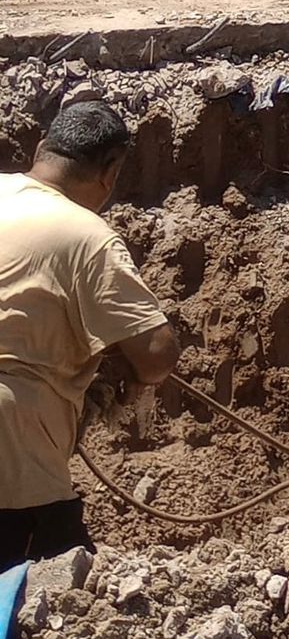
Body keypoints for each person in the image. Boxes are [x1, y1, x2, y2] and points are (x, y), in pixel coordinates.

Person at [0, 103, 178, 568]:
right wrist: (127, 370)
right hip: (13, 455)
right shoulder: (87, 235)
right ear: (111, 170)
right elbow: (157, 353)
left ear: (41, 149)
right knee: (56, 581)